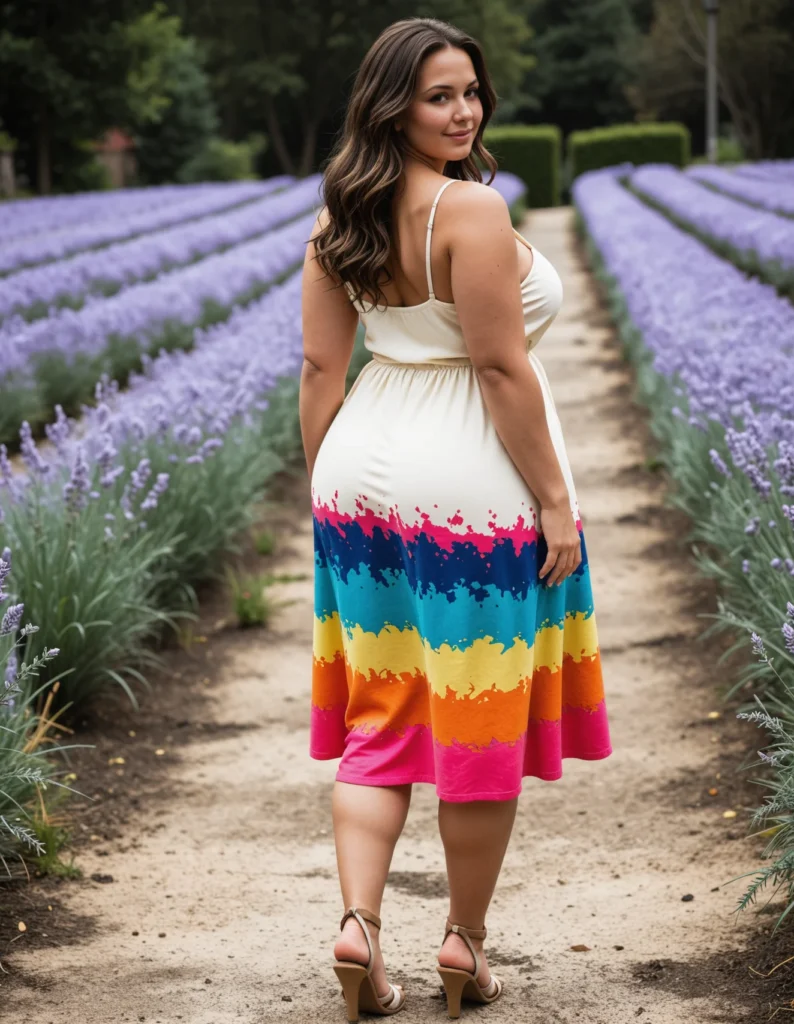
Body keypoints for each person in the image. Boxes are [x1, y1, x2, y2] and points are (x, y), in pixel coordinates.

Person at [299, 16, 613, 1022]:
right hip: (465, 484)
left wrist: (328, 496)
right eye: (439, 95)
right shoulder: (469, 208)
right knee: (477, 715)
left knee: (381, 712)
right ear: (392, 105)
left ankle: (359, 927)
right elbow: (498, 368)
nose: (464, 110)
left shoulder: (340, 212)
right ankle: (462, 946)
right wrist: (554, 502)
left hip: (358, 468)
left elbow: (320, 369)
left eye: (470, 91)